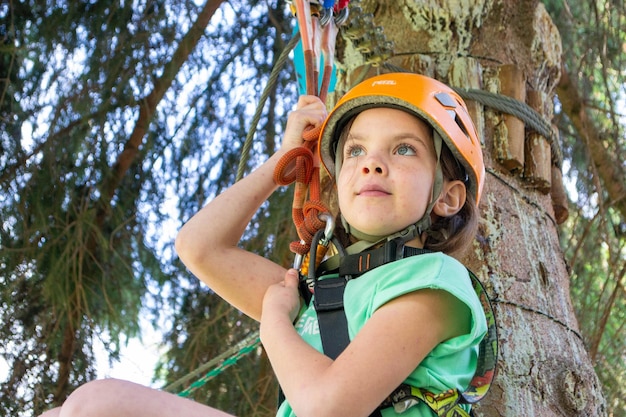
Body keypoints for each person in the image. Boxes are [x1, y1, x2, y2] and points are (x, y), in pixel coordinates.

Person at [39, 72, 487, 417]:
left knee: (94, 404)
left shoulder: (436, 283)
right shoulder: (317, 290)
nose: (371, 163)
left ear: (447, 197)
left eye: (403, 149)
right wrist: (282, 163)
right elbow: (198, 246)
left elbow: (325, 409)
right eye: (354, 151)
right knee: (81, 409)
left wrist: (274, 321)